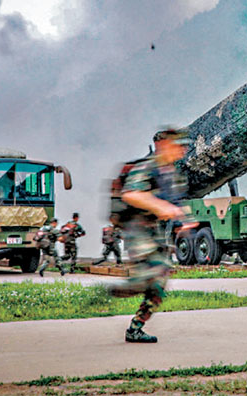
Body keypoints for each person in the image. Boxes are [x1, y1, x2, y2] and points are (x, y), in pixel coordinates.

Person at [104, 127, 190, 344]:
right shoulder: (147, 167)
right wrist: (159, 206)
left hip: (158, 235)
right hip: (139, 230)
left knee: (159, 286)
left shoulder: (172, 175)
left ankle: (135, 328)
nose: (182, 151)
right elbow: (131, 194)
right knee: (151, 275)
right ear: (163, 145)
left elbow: (176, 202)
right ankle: (129, 285)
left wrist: (182, 221)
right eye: (177, 145)